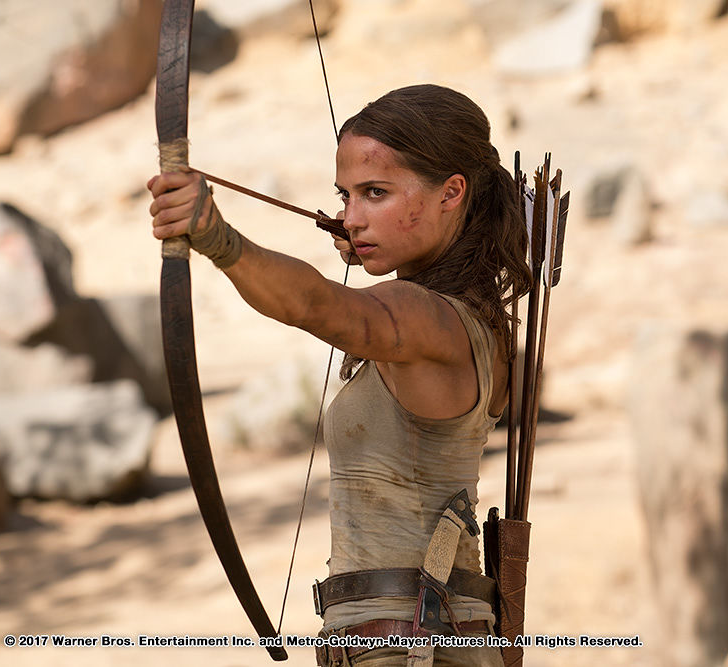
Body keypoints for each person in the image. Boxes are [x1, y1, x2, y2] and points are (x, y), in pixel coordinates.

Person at [147, 84, 531, 666]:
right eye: (345, 196)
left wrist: (217, 238)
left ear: (452, 192)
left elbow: (316, 304)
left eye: (376, 193)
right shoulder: (464, 316)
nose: (351, 219)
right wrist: (387, 243)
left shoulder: (429, 319)